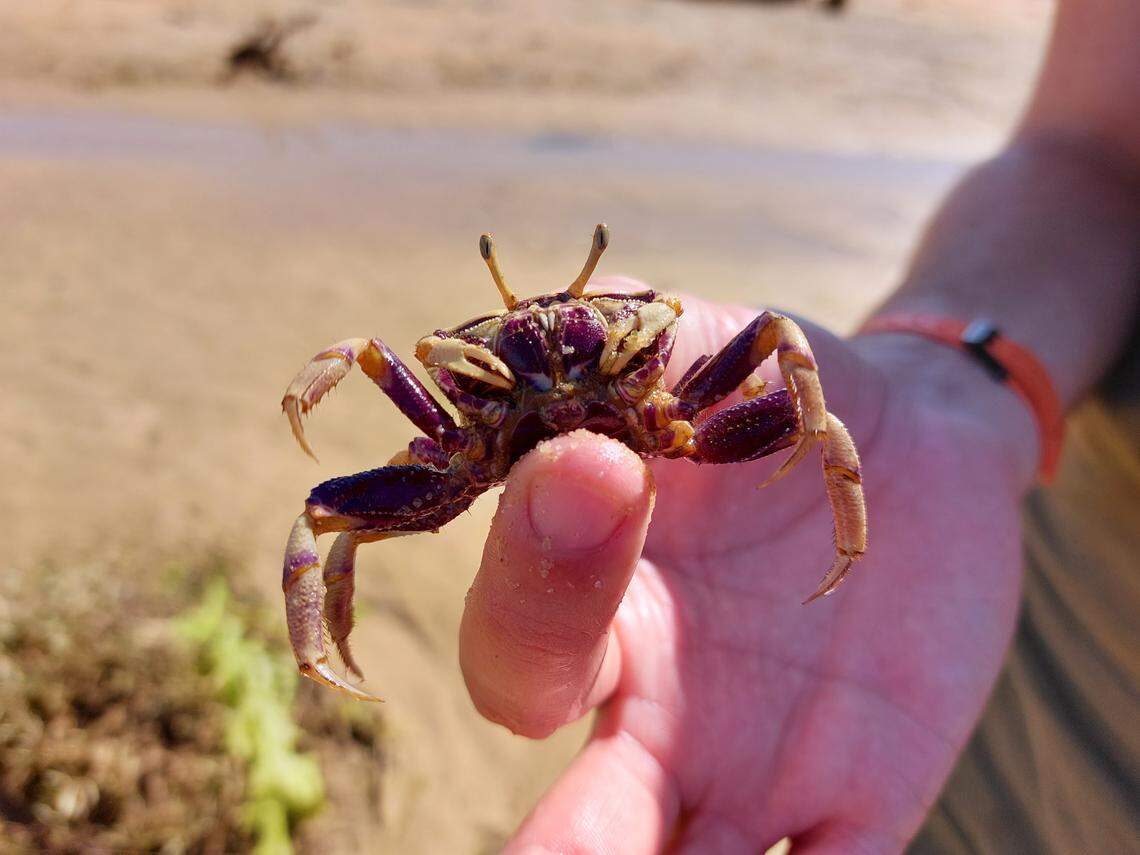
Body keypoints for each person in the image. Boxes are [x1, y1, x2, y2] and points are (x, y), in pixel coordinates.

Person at [457, 0, 1140, 850]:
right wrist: (945, 397)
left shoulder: (680, 409)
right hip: (1013, 734)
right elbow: (1098, 158)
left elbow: (787, 366)